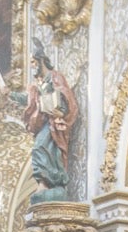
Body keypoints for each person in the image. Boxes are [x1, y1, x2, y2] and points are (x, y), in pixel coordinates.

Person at [6, 46, 79, 201]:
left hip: (55, 122)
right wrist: (10, 94)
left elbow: (66, 96)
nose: (32, 66)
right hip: (43, 122)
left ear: (41, 61)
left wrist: (62, 111)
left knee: (42, 147)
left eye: (33, 62)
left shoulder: (55, 77)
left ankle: (50, 182)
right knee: (39, 148)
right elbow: (29, 100)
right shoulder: (36, 85)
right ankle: (43, 183)